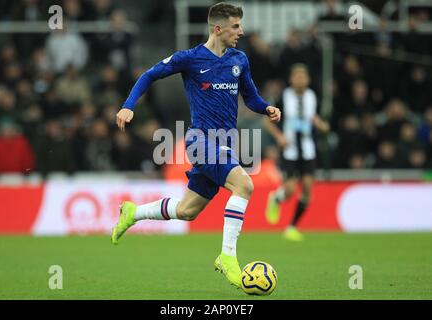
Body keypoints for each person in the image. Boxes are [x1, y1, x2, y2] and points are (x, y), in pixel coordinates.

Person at [111, 2, 281, 288]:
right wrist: (128, 106)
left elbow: (250, 97)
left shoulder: (239, 60)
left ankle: (133, 212)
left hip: (225, 143)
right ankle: (227, 257)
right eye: (235, 26)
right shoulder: (190, 59)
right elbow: (149, 75)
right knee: (244, 185)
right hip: (200, 140)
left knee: (188, 210)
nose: (241, 31)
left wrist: (266, 109)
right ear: (218, 28)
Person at [264, 64, 329, 241]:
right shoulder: (283, 98)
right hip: (290, 150)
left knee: (308, 188)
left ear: (307, 80)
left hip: (308, 149)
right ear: (291, 79)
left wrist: (321, 125)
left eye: (303, 76)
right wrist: (279, 137)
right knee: (291, 189)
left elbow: (316, 120)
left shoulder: (312, 97)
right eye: (297, 76)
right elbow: (267, 122)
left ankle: (292, 227)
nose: (300, 79)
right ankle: (276, 198)